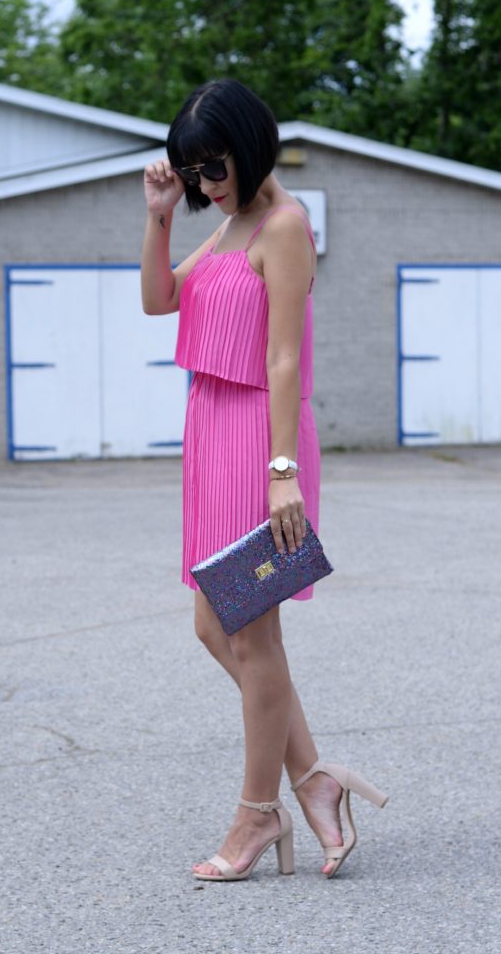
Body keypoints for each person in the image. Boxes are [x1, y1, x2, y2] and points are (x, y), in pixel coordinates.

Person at [141, 79, 386, 882]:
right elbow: (158, 301)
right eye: (193, 171)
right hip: (209, 434)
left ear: (250, 145)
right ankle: (314, 781)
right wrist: (160, 216)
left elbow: (283, 358)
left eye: (213, 168)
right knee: (215, 629)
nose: (206, 184)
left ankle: (256, 817)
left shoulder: (283, 226)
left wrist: (281, 474)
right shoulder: (230, 226)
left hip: (257, 440)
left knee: (252, 635)